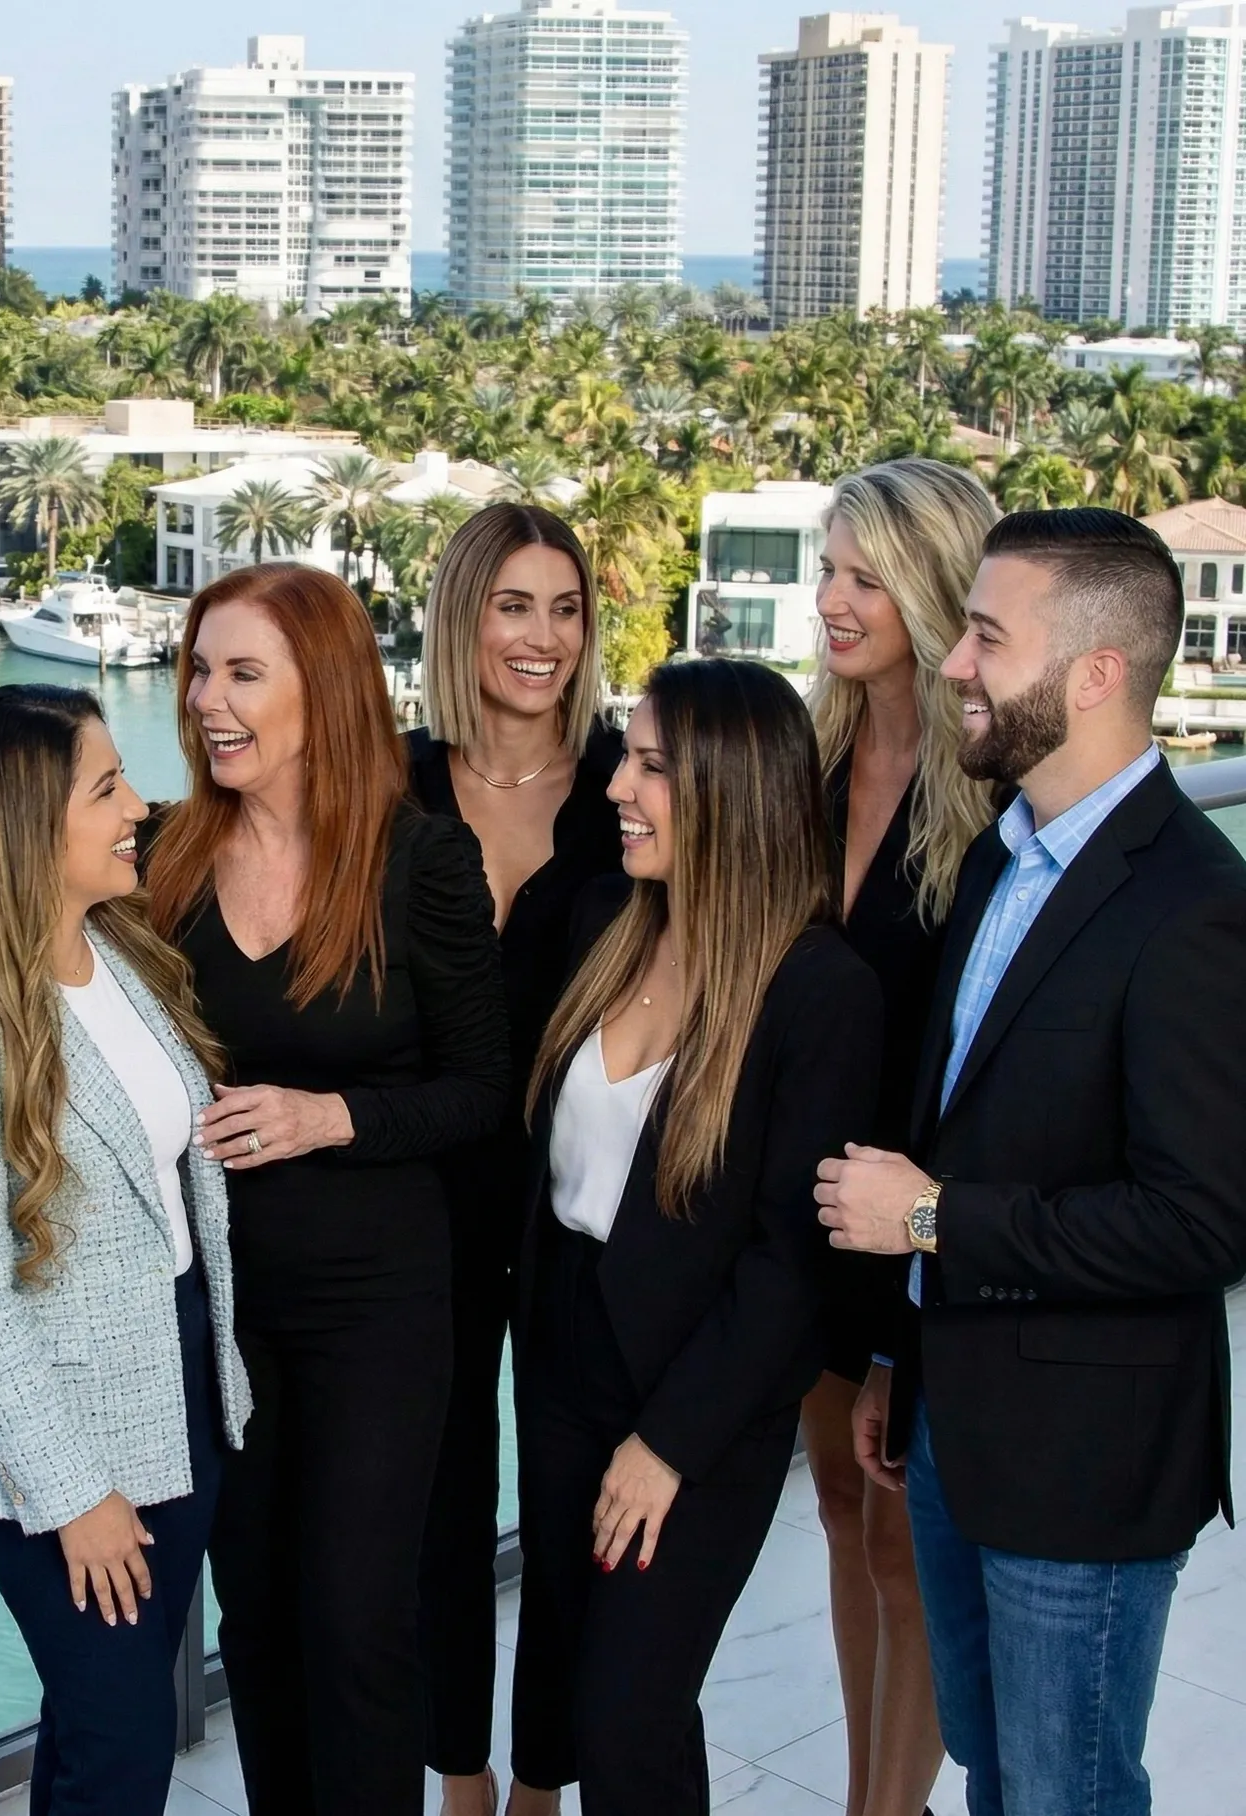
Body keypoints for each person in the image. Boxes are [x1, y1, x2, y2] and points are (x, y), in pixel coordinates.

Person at [818, 508, 1246, 1816]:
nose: (956, 664)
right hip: (956, 1424)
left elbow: (1203, 1224)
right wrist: (903, 1354)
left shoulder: (1194, 905)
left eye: (989, 639)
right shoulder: (1006, 855)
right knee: (1003, 1779)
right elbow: (973, 1117)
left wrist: (934, 1224)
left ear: (1096, 673)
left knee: (1065, 1794)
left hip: (1087, 1466)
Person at [143, 562, 509, 1815]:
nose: (206, 699)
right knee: (253, 1618)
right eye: (199, 668)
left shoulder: (420, 860)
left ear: (326, 689)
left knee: (355, 1621)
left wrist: (328, 1115)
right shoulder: (166, 857)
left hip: (379, 1305)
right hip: (220, 1306)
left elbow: (483, 1090)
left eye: (242, 672)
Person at [0, 685, 251, 1815]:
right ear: (25, 821)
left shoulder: (118, 956)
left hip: (178, 1396)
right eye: (104, 788)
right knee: (122, 1740)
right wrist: (73, 1493)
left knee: (100, 1727)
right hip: (61, 1449)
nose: (137, 805)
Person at [518, 658, 881, 1816]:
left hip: (700, 1396)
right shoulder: (604, 922)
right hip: (562, 1355)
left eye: (653, 765)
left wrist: (665, 1443)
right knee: (597, 1700)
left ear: (733, 788)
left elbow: (792, 1265)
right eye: (627, 755)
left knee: (626, 1717)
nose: (618, 785)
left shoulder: (820, 992)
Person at [402, 502, 622, 1816]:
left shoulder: (630, 787)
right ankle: (461, 1779)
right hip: (419, 1204)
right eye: (513, 604)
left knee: (566, 1510)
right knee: (436, 1506)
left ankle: (543, 1783)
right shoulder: (388, 782)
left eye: (565, 607)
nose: (541, 638)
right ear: (462, 614)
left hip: (582, 1215)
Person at [803, 458, 997, 1816]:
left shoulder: (990, 795)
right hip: (809, 1212)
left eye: (865, 575)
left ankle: (889, 1809)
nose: (832, 598)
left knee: (900, 1548)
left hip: (918, 1223)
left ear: (931, 589)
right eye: (828, 568)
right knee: (835, 1516)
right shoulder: (808, 764)